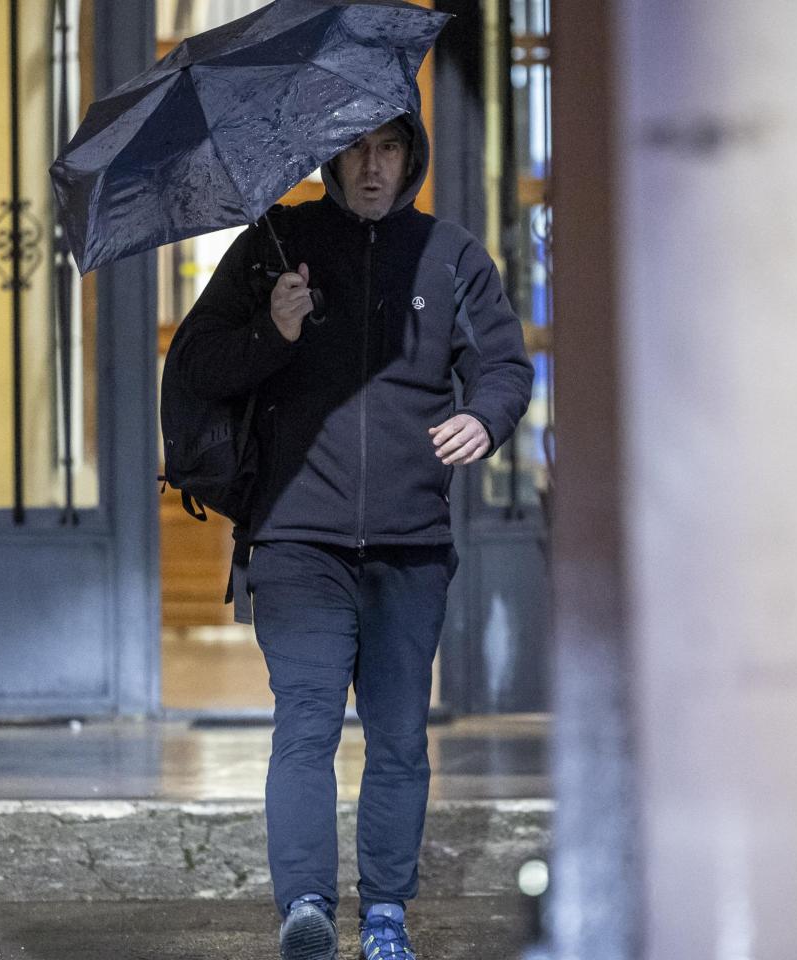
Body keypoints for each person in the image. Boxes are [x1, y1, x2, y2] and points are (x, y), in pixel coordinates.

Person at [173, 106, 534, 960]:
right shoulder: (276, 243)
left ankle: (385, 914)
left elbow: (506, 365)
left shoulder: (450, 256)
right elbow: (196, 363)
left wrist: (485, 418)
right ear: (329, 159)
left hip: (409, 541)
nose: (372, 167)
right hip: (298, 536)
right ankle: (304, 906)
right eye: (355, 149)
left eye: (389, 148)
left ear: (411, 157)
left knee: (401, 733)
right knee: (306, 723)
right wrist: (276, 328)